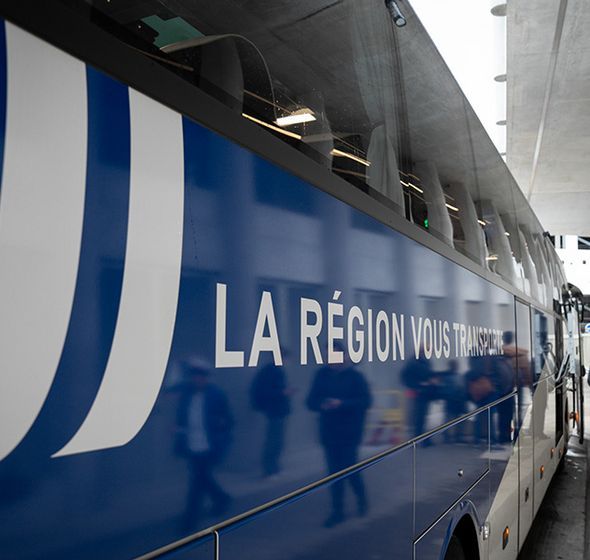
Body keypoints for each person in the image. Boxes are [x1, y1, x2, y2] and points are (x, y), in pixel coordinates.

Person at [306, 345, 372, 527]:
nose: (330, 359)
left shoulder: (355, 377)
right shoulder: (321, 375)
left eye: (334, 355)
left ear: (344, 356)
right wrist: (322, 404)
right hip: (329, 433)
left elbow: (365, 401)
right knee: (333, 473)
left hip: (350, 432)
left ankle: (361, 499)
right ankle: (337, 511)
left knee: (350, 469)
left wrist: (342, 404)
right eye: (327, 355)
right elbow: (310, 401)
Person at [175, 359, 233, 530]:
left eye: (201, 376)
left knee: (197, 481)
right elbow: (182, 417)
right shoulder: (187, 395)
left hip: (209, 445)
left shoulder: (216, 395)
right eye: (195, 376)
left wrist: (220, 430)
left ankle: (190, 519)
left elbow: (228, 419)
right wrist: (178, 429)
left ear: (207, 377)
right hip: (192, 445)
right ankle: (221, 498)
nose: (198, 379)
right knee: (202, 477)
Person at [250, 356, 293, 478]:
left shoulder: (274, 370)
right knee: (273, 441)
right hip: (275, 411)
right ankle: (269, 469)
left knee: (276, 441)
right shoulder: (271, 371)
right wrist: (283, 392)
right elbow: (267, 391)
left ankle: (274, 468)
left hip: (277, 411)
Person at [401, 348, 440, 439]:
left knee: (422, 416)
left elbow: (429, 374)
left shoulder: (424, 362)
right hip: (419, 393)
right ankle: (419, 437)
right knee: (419, 416)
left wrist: (433, 380)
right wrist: (418, 385)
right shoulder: (414, 363)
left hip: (425, 393)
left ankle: (421, 437)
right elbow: (406, 377)